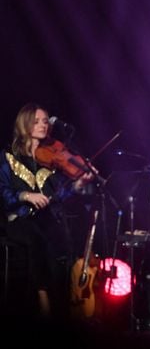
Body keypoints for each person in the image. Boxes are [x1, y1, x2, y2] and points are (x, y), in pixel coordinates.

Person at [0, 103, 94, 319]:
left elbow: (58, 196)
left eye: (45, 121)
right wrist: (25, 195)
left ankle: (64, 307)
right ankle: (43, 300)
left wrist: (77, 187)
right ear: (25, 124)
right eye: (37, 121)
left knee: (64, 241)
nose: (43, 125)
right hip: (18, 219)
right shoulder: (8, 156)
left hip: (46, 220)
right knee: (36, 237)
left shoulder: (50, 156)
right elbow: (2, 191)